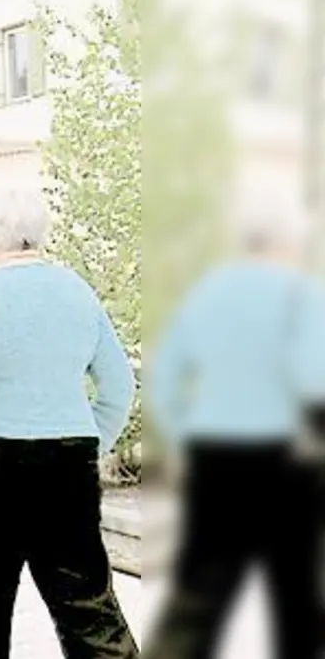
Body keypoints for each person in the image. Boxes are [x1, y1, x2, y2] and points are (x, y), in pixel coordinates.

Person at [0, 187, 138, 659]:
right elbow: (119, 385)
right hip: (70, 465)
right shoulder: (77, 290)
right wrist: (93, 442)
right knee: (87, 603)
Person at [142, 193, 325, 659]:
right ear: (287, 239)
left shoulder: (207, 292)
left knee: (201, 596)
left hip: (214, 458)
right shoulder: (302, 295)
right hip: (287, 461)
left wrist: (185, 437)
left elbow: (164, 379)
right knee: (298, 597)